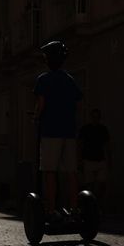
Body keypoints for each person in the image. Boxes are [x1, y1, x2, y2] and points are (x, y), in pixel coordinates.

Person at [33, 41, 82, 221]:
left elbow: (41, 104)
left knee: (49, 172)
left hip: (50, 131)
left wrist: (36, 117)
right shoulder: (70, 79)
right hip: (69, 131)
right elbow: (77, 104)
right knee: (71, 172)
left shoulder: (43, 80)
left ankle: (51, 209)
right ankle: (75, 208)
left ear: (48, 60)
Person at [78, 109, 110, 209]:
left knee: (101, 185)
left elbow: (107, 146)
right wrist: (80, 160)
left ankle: (97, 205)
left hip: (100, 160)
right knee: (89, 185)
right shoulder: (85, 129)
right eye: (94, 117)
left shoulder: (103, 129)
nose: (95, 119)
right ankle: (90, 206)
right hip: (88, 160)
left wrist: (108, 160)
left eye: (97, 117)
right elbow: (80, 145)